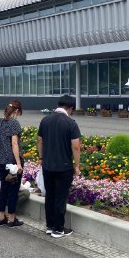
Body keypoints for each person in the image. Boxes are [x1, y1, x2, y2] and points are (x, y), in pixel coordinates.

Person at [38, 95, 81, 238]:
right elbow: (76, 147)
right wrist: (77, 165)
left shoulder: (45, 120)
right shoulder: (70, 123)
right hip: (64, 167)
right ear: (70, 108)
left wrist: (41, 157)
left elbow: (40, 141)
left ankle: (50, 226)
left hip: (47, 165)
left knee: (49, 195)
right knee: (60, 198)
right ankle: (58, 229)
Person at [0, 100, 24, 228]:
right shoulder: (14, 123)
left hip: (1, 162)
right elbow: (14, 144)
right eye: (19, 113)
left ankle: (0, 217)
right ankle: (11, 218)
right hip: (12, 164)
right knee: (13, 190)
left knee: (3, 189)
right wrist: (19, 164)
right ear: (16, 111)